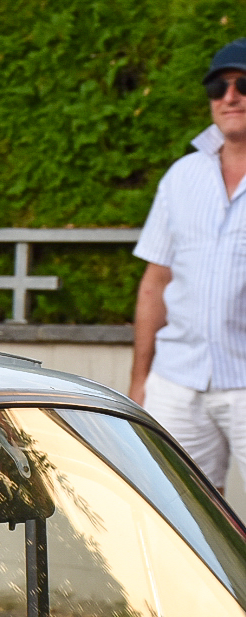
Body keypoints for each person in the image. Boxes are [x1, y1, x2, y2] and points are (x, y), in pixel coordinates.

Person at [128, 39, 246, 490]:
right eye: (218, 87)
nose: (229, 97)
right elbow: (155, 283)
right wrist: (140, 381)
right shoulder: (181, 177)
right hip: (176, 384)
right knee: (176, 514)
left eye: (242, 84)